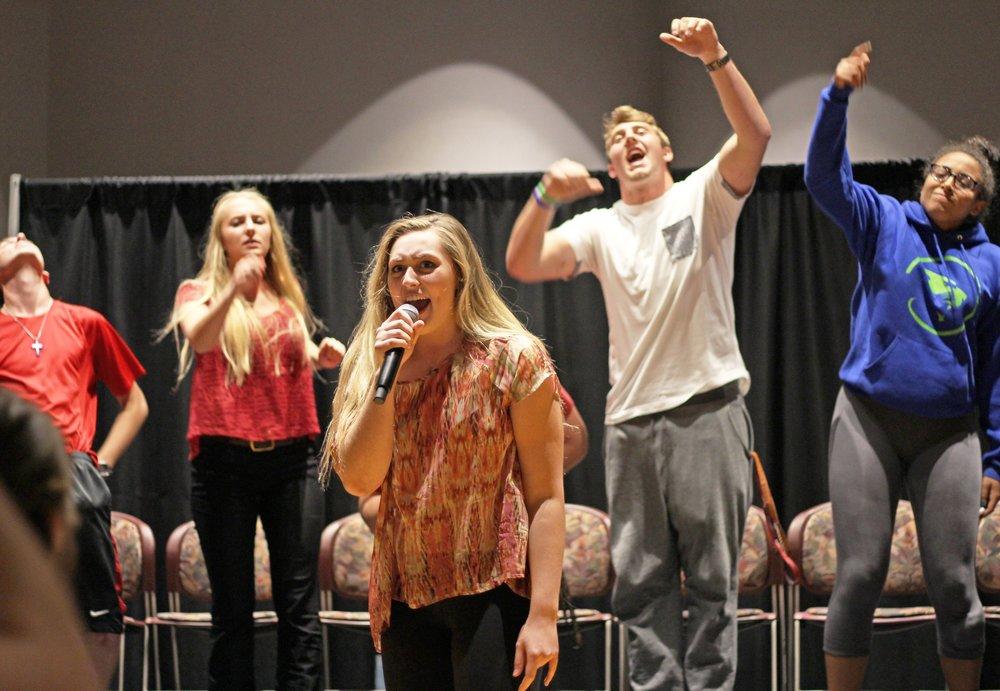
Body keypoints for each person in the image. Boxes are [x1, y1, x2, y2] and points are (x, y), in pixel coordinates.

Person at [505, 16, 770, 691]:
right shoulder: (598, 227)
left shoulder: (703, 194)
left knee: (713, 583)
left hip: (706, 411)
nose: (627, 141)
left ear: (666, 147)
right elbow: (523, 260)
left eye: (639, 132)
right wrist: (543, 195)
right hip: (631, 425)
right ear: (612, 164)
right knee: (642, 588)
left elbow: (756, 135)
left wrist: (714, 58)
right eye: (616, 139)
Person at [804, 43, 1000, 691]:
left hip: (951, 432)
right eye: (939, 170)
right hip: (868, 418)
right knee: (860, 571)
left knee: (954, 582)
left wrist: (994, 456)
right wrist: (838, 96)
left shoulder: (991, 263)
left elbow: (996, 363)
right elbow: (823, 178)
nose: (946, 181)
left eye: (963, 180)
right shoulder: (883, 220)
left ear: (979, 204)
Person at [322, 212, 565, 691]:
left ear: (460, 276)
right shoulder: (372, 360)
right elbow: (359, 480)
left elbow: (546, 496)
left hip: (494, 587)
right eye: (397, 270)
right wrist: (382, 378)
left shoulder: (513, 357)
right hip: (407, 596)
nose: (410, 280)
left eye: (427, 265)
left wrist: (544, 615)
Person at [162, 187, 344, 690]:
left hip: (292, 458)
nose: (249, 229)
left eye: (258, 221)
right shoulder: (196, 292)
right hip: (224, 461)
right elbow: (200, 338)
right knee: (233, 607)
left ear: (270, 234)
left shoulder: (285, 298)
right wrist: (232, 292)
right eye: (236, 221)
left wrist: (320, 354)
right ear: (221, 237)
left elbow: (300, 352)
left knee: (298, 602)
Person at [0, 231, 148, 686]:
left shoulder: (84, 322)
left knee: (98, 610)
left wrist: (98, 463)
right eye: (8, 239)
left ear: (45, 273)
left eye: (25, 238)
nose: (20, 235)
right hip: (13, 480)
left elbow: (135, 404)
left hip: (77, 481)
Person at [359, 383, 587, 531]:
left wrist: (520, 487)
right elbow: (369, 501)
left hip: (509, 549)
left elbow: (574, 439)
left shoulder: (509, 356)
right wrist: (435, 515)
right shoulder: (389, 375)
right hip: (416, 567)